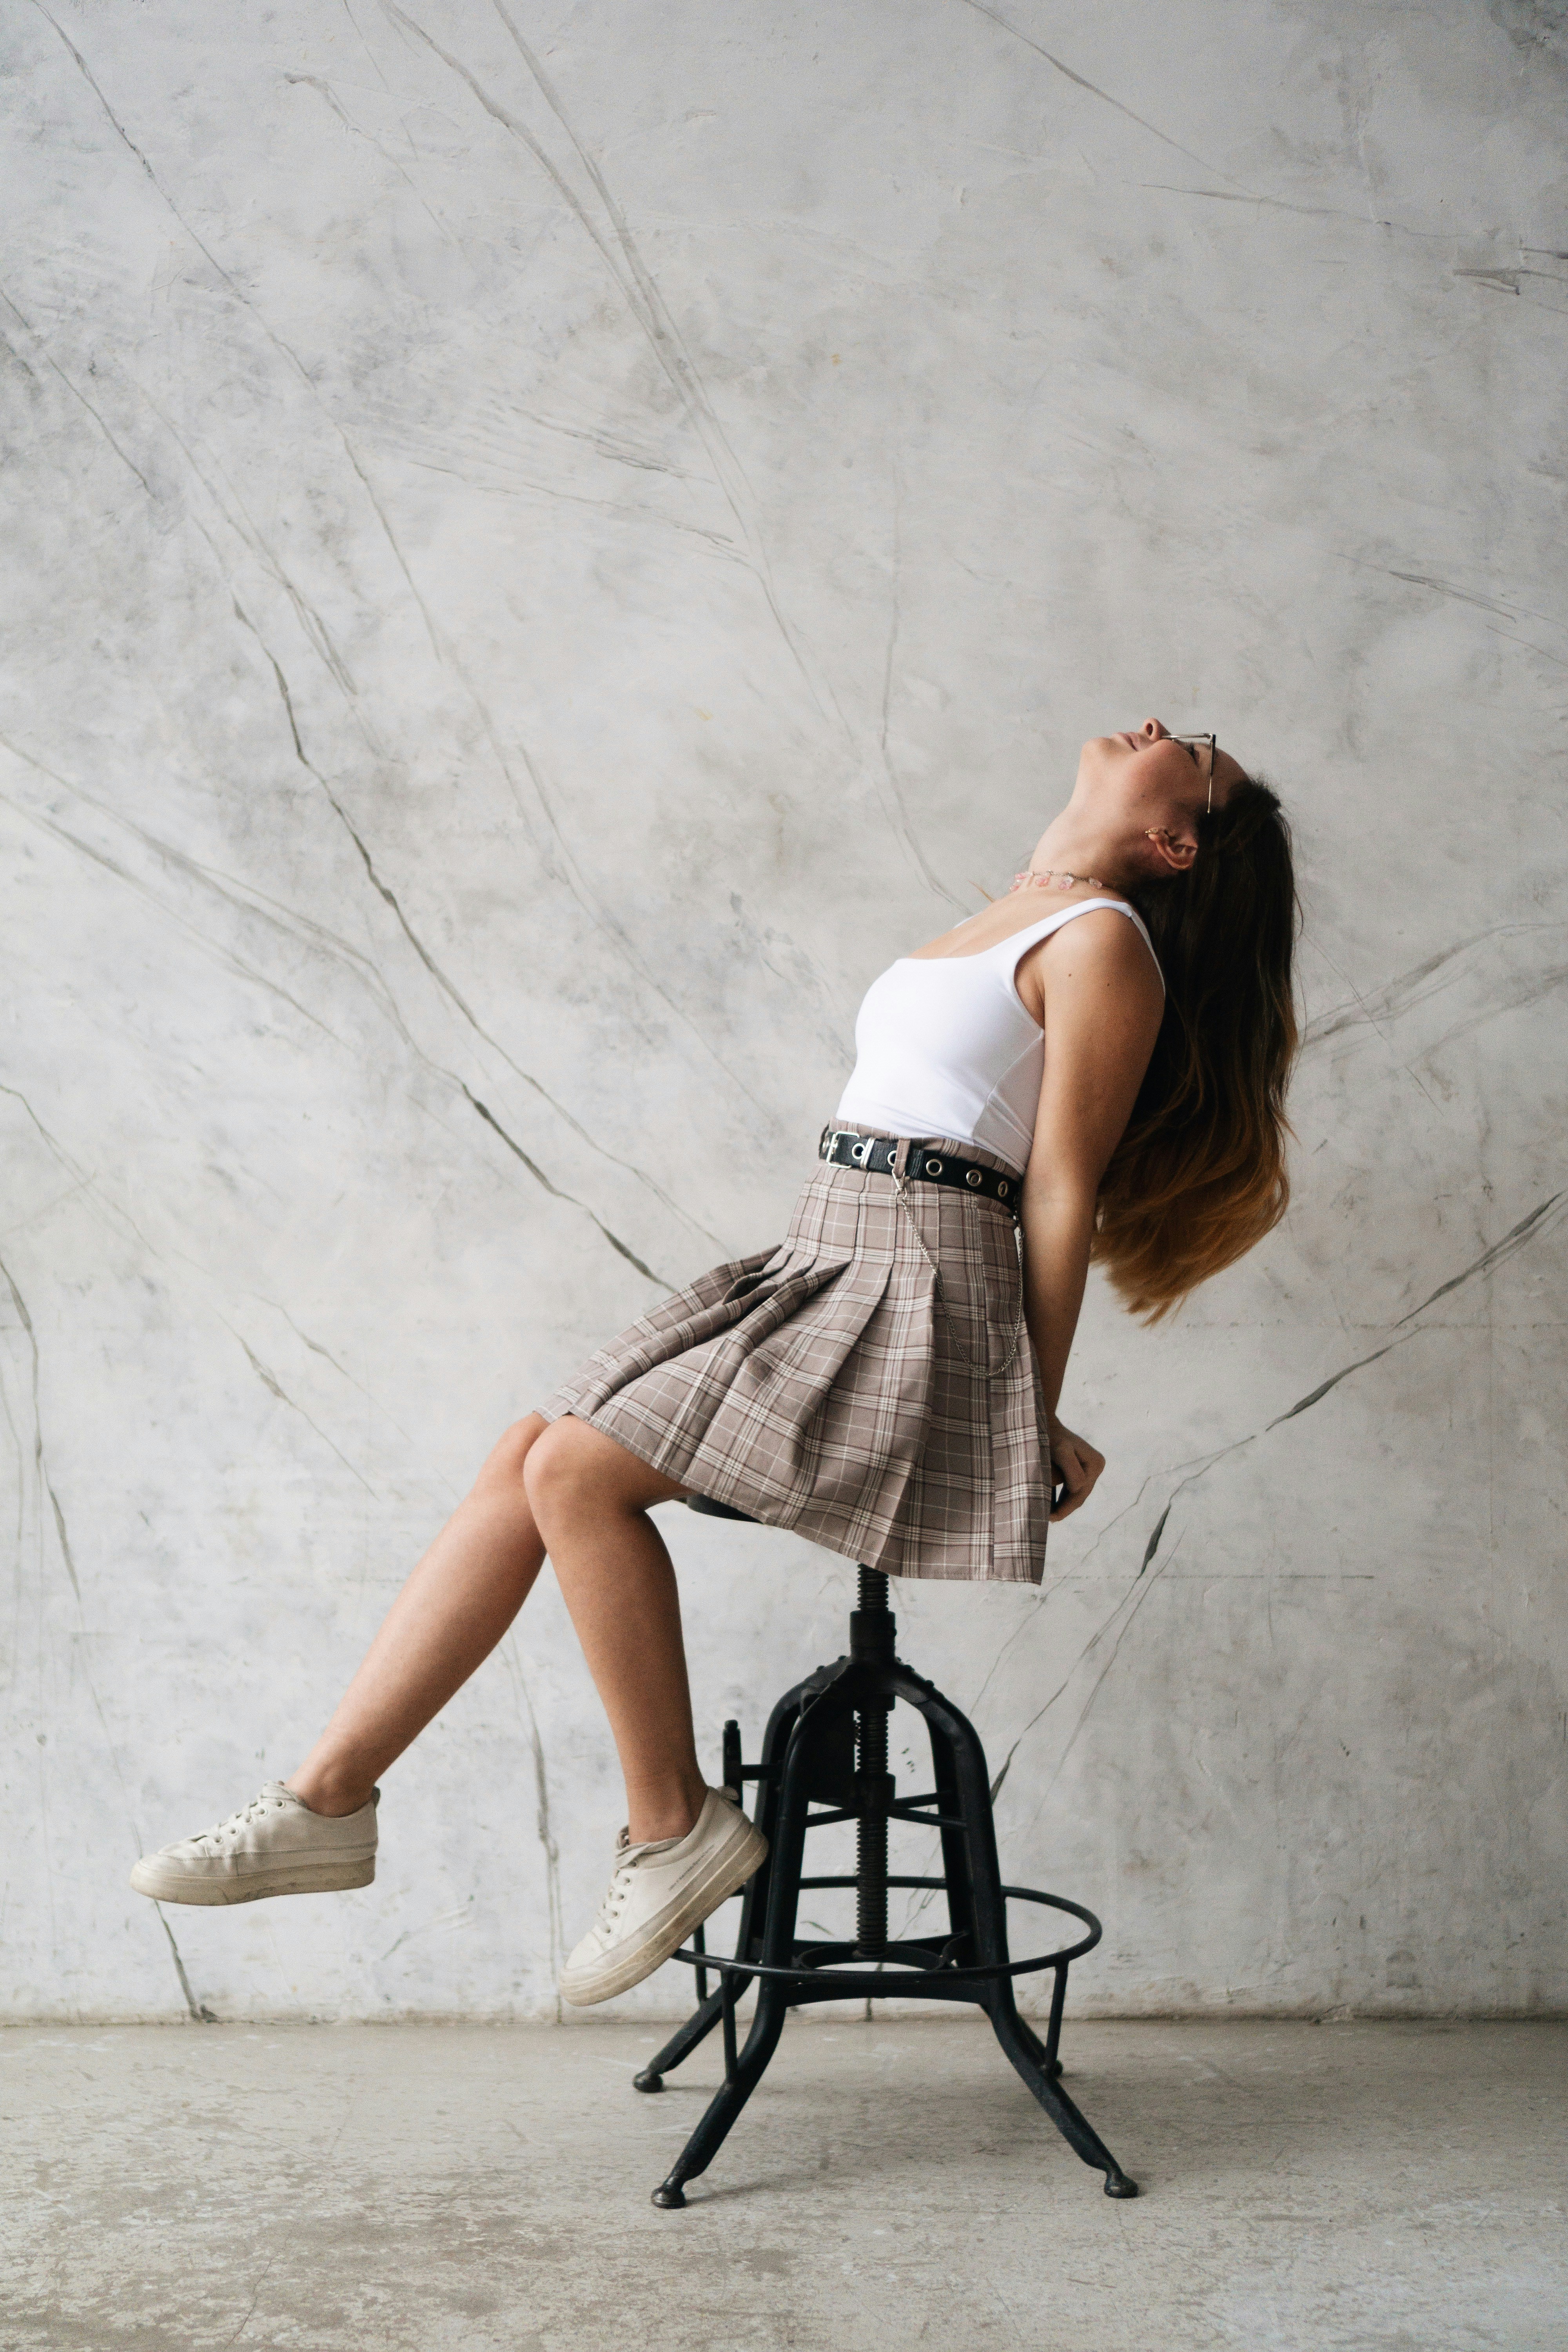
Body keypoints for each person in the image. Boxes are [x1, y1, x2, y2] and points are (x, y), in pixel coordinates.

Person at [131, 719, 1298, 2006]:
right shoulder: (1022, 910)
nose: (1163, 729)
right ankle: (327, 1799)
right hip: (827, 1249)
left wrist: (1031, 1405)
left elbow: (1061, 1190)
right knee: (529, 1453)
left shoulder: (1105, 944)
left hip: (920, 1282)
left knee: (575, 1472)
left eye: (1196, 752)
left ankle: (671, 1827)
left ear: (1175, 842)